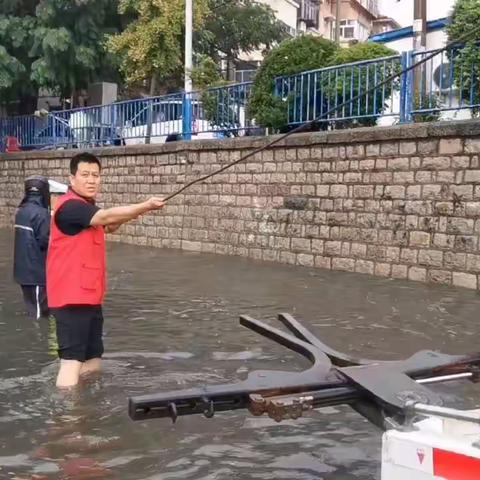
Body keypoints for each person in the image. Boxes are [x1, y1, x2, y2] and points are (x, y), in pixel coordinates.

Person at [47, 152, 165, 388]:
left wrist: (137, 212)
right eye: (85, 175)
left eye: (96, 175)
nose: (91, 180)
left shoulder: (85, 208)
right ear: (72, 179)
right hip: (71, 299)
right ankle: (67, 419)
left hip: (89, 297)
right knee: (71, 362)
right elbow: (106, 217)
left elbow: (109, 225)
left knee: (93, 360)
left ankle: (87, 407)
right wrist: (145, 205)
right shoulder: (70, 207)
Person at [13, 175, 51, 319]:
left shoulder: (20, 211)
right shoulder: (41, 214)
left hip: (23, 273)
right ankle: (39, 339)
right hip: (36, 274)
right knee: (39, 315)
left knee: (32, 308)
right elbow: (45, 241)